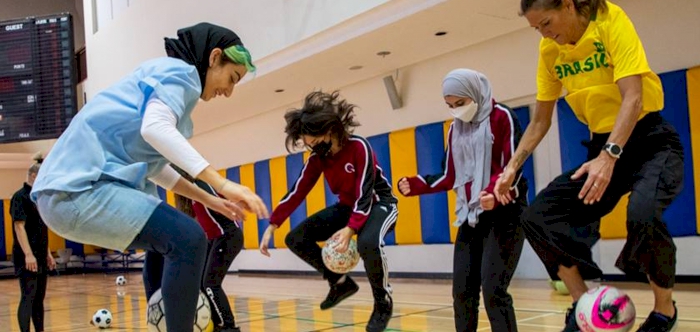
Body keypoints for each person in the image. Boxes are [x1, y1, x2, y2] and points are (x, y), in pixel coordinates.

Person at [30, 23, 269, 332]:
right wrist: (223, 183)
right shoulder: (179, 74)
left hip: (66, 196)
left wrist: (211, 199)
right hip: (76, 190)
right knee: (188, 238)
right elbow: (155, 129)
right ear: (214, 58)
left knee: (170, 242)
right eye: (232, 78)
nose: (229, 90)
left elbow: (156, 168)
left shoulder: (170, 86)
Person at [494, 1, 683, 331]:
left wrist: (610, 156)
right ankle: (585, 306)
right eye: (536, 28)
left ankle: (664, 310)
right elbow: (540, 120)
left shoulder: (609, 20)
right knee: (539, 217)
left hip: (649, 140)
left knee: (643, 213)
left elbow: (633, 96)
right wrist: (511, 168)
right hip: (601, 147)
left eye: (547, 22)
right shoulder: (550, 49)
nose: (544, 33)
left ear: (568, 5)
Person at [396, 69, 527, 332]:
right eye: (450, 106)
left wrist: (493, 192)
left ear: (475, 94)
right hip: (472, 216)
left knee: (493, 292)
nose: (456, 111)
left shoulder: (503, 117)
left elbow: (514, 164)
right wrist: (417, 184)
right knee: (462, 292)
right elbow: (451, 175)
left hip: (506, 213)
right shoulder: (455, 130)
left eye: (461, 104)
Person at [259, 90, 399, 332]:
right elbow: (298, 191)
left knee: (368, 243)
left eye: (313, 142)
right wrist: (272, 224)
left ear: (328, 130)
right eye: (307, 144)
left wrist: (350, 228)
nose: (311, 147)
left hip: (379, 203)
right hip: (348, 206)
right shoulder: (318, 159)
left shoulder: (359, 147)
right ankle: (340, 283)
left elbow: (365, 193)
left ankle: (382, 302)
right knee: (295, 238)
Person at [173, 166, 244, 332]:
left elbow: (217, 200)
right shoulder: (190, 193)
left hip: (227, 236)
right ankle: (215, 322)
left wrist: (234, 205)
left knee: (211, 283)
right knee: (200, 283)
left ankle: (229, 326)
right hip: (214, 239)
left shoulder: (200, 184)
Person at [11, 155, 56, 332]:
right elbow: (19, 227)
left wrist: (48, 254)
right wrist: (28, 255)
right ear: (34, 176)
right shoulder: (20, 198)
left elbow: (41, 229)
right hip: (26, 257)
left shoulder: (39, 198)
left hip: (40, 255)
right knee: (28, 296)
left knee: (39, 298)